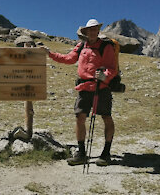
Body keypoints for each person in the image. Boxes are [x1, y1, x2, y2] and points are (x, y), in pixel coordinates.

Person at [44, 19, 118, 166]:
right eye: (89, 29)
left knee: (106, 117)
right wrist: (50, 53)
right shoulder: (81, 46)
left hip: (101, 88)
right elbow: (68, 59)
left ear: (98, 31)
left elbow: (112, 68)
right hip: (84, 89)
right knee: (80, 117)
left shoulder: (106, 46)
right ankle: (82, 152)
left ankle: (106, 153)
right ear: (85, 32)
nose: (92, 31)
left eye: (94, 29)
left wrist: (103, 76)